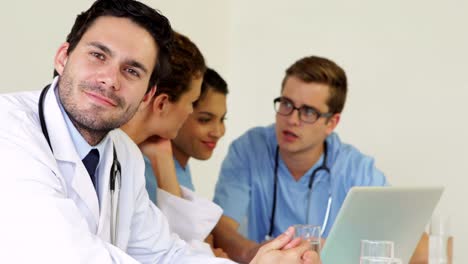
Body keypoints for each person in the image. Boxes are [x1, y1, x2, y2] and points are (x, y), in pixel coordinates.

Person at [0, 0, 319, 263]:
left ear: (148, 94)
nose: (110, 79)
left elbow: (167, 253)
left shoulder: (123, 155)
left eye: (132, 70)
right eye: (98, 55)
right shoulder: (10, 130)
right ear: (62, 57)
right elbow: (71, 255)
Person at [212, 55, 388, 263]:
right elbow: (221, 228)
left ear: (331, 123)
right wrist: (258, 255)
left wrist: (334, 250)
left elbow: (413, 243)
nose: (292, 120)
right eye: (286, 104)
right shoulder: (249, 149)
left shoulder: (356, 168)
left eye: (308, 112)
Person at [120, 31, 226, 257]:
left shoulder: (138, 154)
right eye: (191, 103)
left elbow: (176, 249)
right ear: (162, 104)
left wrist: (162, 157)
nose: (189, 111)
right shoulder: (121, 161)